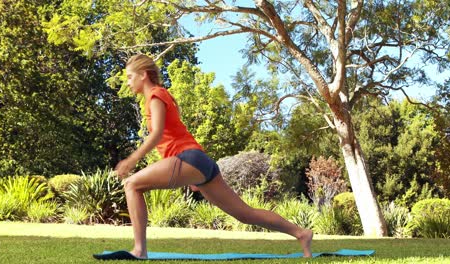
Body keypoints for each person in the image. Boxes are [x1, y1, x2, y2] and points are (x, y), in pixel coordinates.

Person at [115, 54, 313, 259]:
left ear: (143, 75)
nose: (128, 82)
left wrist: (132, 160)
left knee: (132, 184)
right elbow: (170, 138)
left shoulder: (155, 95)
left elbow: (156, 134)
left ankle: (139, 250)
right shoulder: (161, 95)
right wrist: (188, 175)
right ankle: (301, 233)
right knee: (244, 214)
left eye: (130, 77)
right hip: (199, 162)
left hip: (190, 159)